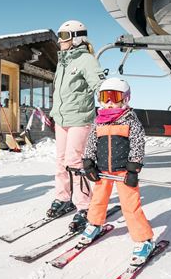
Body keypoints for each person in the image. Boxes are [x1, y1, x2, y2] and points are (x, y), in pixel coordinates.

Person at [79, 77, 154, 265]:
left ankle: (144, 240)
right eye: (104, 97)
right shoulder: (99, 121)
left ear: (125, 99)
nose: (109, 101)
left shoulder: (131, 120)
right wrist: (88, 162)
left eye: (114, 96)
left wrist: (134, 168)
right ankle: (94, 224)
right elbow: (91, 143)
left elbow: (138, 144)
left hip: (123, 172)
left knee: (130, 205)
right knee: (98, 200)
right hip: (103, 170)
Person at [48, 20, 105, 232]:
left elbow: (99, 85)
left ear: (76, 37)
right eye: (59, 36)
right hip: (62, 119)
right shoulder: (62, 63)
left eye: (63, 36)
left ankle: (84, 205)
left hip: (80, 119)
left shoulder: (87, 60)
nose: (59, 41)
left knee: (74, 162)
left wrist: (110, 103)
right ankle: (64, 198)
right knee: (61, 161)